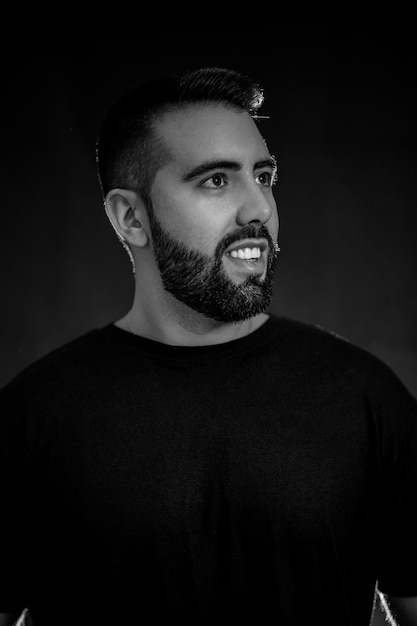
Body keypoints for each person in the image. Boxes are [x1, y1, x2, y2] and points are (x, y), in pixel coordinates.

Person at [0, 67, 416, 626]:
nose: (259, 210)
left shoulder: (367, 400)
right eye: (216, 181)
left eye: (263, 177)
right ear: (131, 217)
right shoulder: (32, 420)